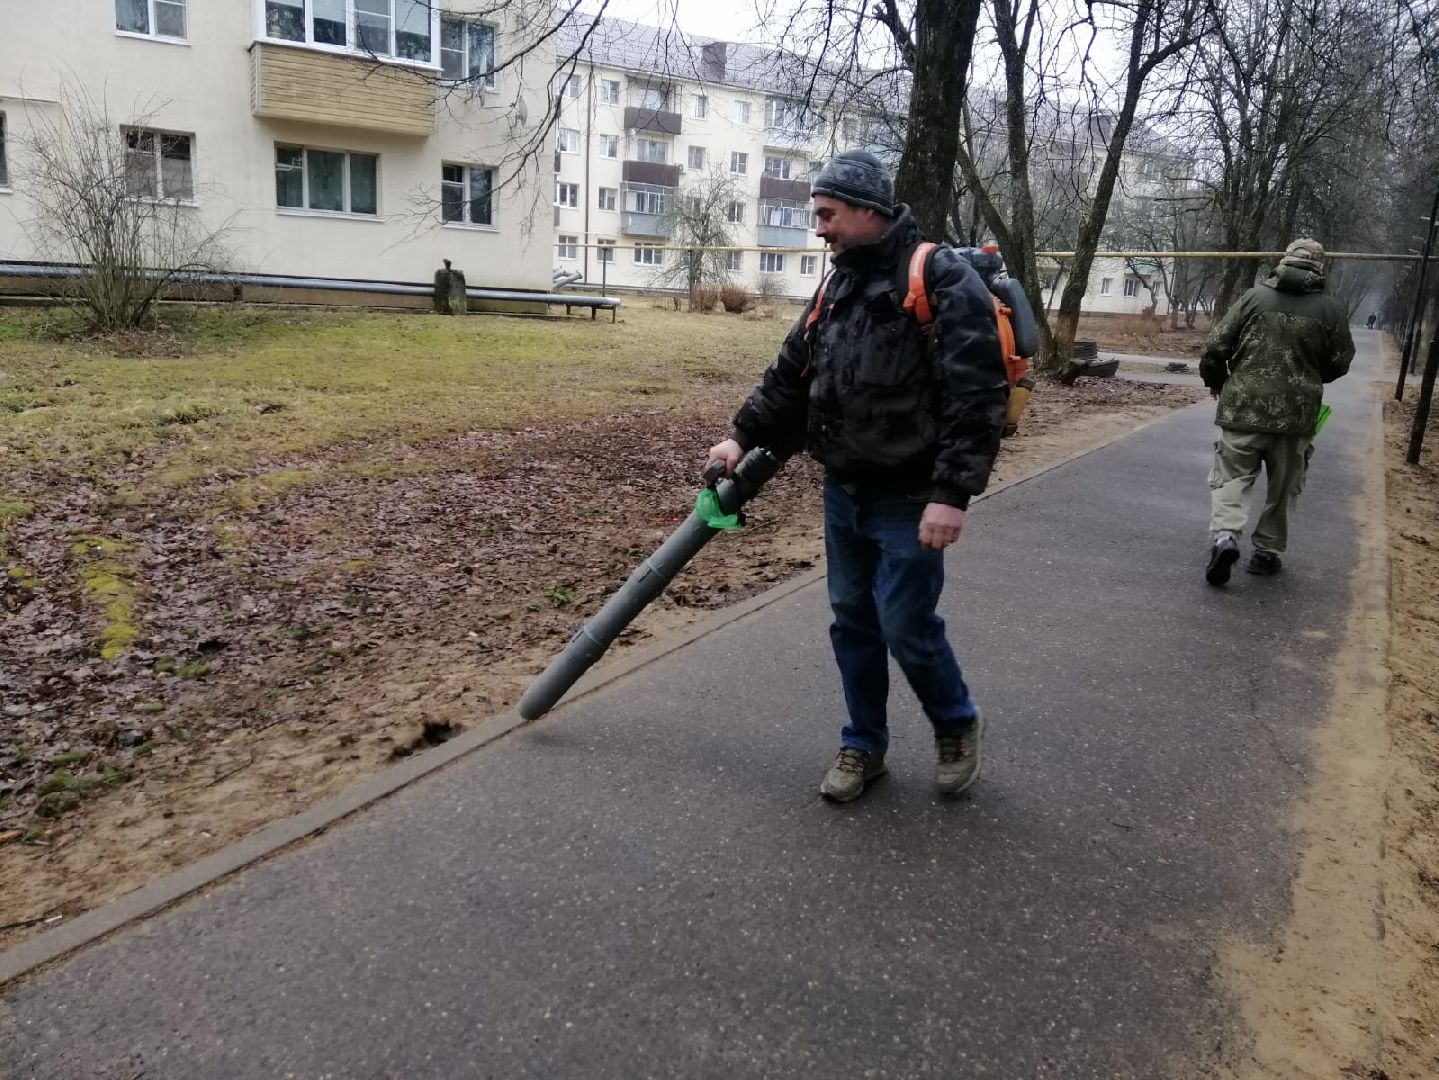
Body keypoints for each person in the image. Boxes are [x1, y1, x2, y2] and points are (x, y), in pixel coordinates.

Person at [705, 150, 1009, 802]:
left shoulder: (940, 277)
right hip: (843, 490)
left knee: (904, 624)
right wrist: (740, 435)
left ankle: (955, 722)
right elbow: (791, 374)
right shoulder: (836, 286)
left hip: (910, 497)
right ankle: (862, 745)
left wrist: (950, 494)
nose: (819, 229)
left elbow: (976, 394)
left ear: (866, 210)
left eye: (826, 214)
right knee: (852, 621)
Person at [1199, 238, 1355, 585]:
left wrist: (1217, 380)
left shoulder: (1253, 298)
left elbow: (1215, 346)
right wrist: (1312, 373)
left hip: (1243, 409)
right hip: (1296, 417)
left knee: (1232, 477)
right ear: (1320, 268)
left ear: (1284, 262)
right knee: (1285, 486)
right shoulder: (1331, 310)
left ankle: (1225, 536)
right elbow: (1341, 362)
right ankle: (1266, 554)